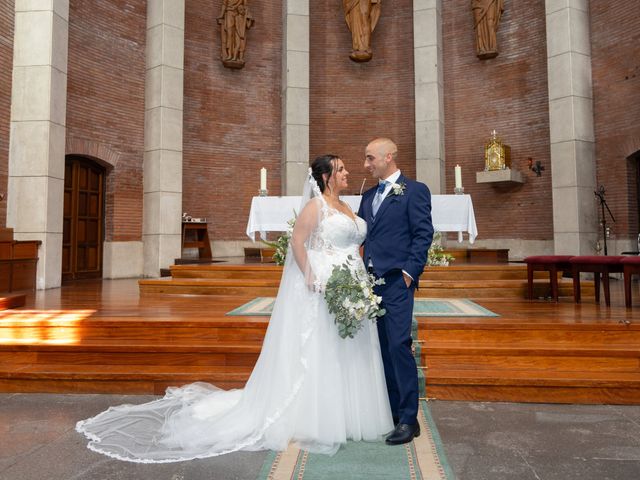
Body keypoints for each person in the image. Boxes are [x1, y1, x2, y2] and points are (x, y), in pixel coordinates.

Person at [76, 155, 393, 462]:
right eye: (340, 170)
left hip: (351, 284)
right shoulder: (316, 206)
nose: (347, 173)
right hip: (325, 286)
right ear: (325, 177)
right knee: (320, 348)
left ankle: (347, 412)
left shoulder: (348, 206)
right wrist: (313, 278)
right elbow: (298, 241)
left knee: (344, 347)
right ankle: (314, 417)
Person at [358, 138, 433, 445]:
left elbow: (423, 234)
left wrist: (408, 273)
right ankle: (389, 410)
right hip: (370, 282)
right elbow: (363, 234)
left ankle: (407, 418)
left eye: (370, 158)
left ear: (388, 157)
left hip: (396, 282)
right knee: (381, 347)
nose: (366, 164)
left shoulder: (415, 191)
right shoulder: (367, 195)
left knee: (399, 345)